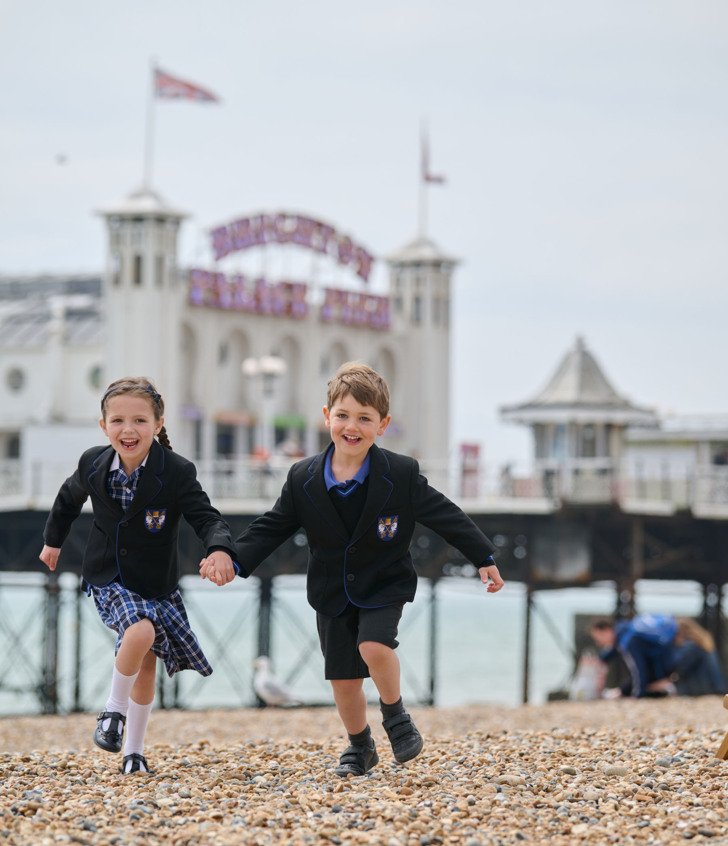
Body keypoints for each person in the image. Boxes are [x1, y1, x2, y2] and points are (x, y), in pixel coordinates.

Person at [200, 361, 504, 777]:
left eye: (365, 418)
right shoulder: (303, 477)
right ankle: (360, 746)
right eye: (343, 416)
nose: (352, 426)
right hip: (330, 590)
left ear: (383, 424)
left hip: (385, 581)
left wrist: (482, 556)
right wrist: (232, 559)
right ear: (327, 417)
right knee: (343, 679)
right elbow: (272, 526)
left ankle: (396, 718)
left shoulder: (400, 473)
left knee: (374, 647)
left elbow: (444, 514)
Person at [39, 377, 236, 774]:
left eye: (140, 421)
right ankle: (112, 713)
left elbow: (205, 517)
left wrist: (218, 549)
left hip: (155, 582)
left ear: (159, 423)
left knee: (146, 662)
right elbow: (67, 499)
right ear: (103, 425)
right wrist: (52, 541)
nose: (128, 431)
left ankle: (134, 753)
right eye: (118, 421)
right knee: (141, 631)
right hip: (107, 575)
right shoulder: (93, 462)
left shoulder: (176, 471)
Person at [589, 614, 726, 698]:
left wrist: (638, 694)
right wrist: (602, 659)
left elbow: (640, 670)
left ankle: (619, 692)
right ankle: (620, 691)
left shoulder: (691, 648)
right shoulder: (701, 645)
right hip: (712, 689)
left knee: (652, 686)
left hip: (701, 690)